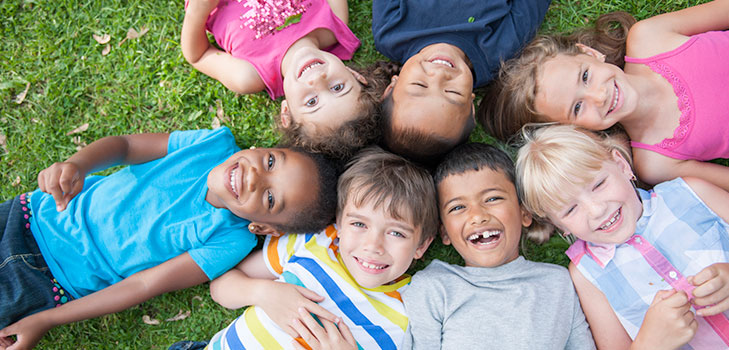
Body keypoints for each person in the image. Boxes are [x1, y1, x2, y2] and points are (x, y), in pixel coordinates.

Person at [0, 126, 339, 349]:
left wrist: (46, 319)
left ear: (265, 229)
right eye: (269, 161)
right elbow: (126, 146)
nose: (253, 177)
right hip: (27, 215)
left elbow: (143, 285)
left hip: (44, 281)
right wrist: (77, 164)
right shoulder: (212, 144)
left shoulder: (230, 242)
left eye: (269, 198)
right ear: (262, 147)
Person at [480, 0, 729, 202]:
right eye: (577, 107)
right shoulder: (656, 162)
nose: (599, 95)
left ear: (590, 53)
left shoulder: (649, 37)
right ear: (577, 131)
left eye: (585, 76)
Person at [516, 124, 729, 349]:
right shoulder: (587, 275)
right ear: (558, 225)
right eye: (570, 210)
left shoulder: (692, 193)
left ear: (621, 164)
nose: (596, 210)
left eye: (599, 184)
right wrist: (650, 343)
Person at [192, 146, 438, 350]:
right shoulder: (315, 242)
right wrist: (262, 293)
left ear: (422, 245)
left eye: (396, 232)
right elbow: (221, 285)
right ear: (339, 224)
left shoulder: (408, 317)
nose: (373, 245)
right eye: (359, 224)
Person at [401, 142, 595, 349]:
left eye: (493, 198)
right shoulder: (433, 287)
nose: (477, 216)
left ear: (524, 213)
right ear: (445, 232)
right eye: (458, 207)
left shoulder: (558, 283)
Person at [181, 0, 389, 160]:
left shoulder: (250, 74)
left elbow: (198, 55)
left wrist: (197, 11)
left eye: (312, 102)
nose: (317, 79)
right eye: (337, 87)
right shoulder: (334, 23)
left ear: (287, 112)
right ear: (355, 76)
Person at [371, 0, 551, 162]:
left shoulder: (390, 31)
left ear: (391, 86)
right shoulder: (501, 52)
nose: (440, 75)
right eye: (452, 92)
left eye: (419, 85)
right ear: (471, 106)